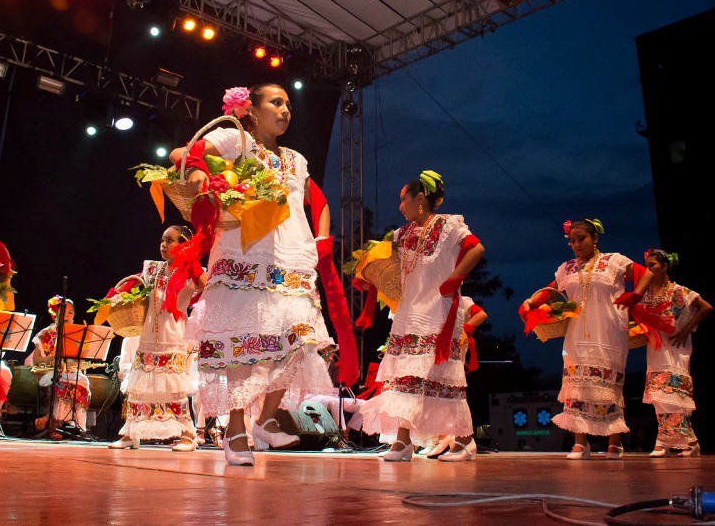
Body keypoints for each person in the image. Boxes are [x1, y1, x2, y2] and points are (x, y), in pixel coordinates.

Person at [170, 84, 333, 466]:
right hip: (246, 251)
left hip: (292, 257)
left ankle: (265, 419)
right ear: (252, 110)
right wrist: (195, 169)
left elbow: (316, 199)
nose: (285, 110)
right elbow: (182, 152)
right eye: (276, 103)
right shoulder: (234, 138)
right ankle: (236, 428)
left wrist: (322, 237)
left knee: (303, 340)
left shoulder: (296, 159)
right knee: (243, 344)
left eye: (288, 104)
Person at [359, 172, 486, 462]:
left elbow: (476, 248)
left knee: (441, 378)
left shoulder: (448, 224)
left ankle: (466, 441)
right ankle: (402, 443)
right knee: (405, 377)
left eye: (403, 199)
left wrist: (454, 279)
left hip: (438, 311)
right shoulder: (401, 234)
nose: (400, 206)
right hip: (409, 312)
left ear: (420, 199)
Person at [522, 218, 653, 460]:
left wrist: (635, 295)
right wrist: (531, 302)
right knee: (577, 385)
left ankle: (615, 441)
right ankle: (580, 443)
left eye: (581, 238)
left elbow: (646, 273)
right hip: (577, 335)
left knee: (609, 386)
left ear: (595, 238)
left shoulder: (614, 261)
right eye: (572, 240)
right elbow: (550, 290)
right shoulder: (567, 268)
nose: (576, 244)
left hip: (610, 331)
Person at [108, 225, 204, 451]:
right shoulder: (153, 269)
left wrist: (191, 261)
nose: (165, 245)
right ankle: (131, 433)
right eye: (163, 240)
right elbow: (132, 285)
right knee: (139, 385)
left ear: (183, 244)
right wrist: (114, 297)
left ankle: (188, 435)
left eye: (171, 241)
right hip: (149, 335)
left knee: (173, 386)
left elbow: (206, 286)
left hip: (174, 336)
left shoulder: (190, 269)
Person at [641, 249, 713, 457]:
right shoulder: (646, 294)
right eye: (647, 265)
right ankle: (677, 441)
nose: (649, 269)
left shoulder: (678, 291)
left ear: (664, 267)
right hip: (656, 346)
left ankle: (677, 442)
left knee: (675, 393)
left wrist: (687, 328)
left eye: (653, 265)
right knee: (658, 394)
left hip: (676, 346)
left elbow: (706, 307)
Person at [26, 297, 90, 435]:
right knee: (61, 380)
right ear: (55, 314)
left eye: (71, 312)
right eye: (63, 312)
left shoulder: (78, 334)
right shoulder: (46, 333)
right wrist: (56, 359)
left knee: (83, 380)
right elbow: (36, 360)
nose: (67, 316)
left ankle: (56, 421)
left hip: (70, 372)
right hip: (48, 373)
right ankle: (54, 425)